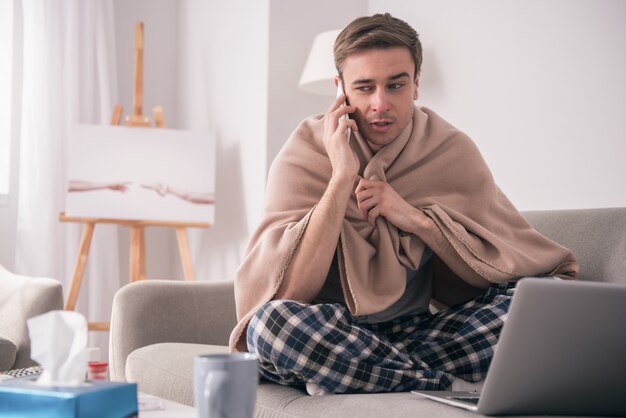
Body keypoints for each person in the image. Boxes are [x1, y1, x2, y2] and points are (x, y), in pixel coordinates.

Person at [229, 13, 579, 395]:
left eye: (395, 85)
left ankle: (357, 374)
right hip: (331, 329)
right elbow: (287, 292)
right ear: (340, 89)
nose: (381, 104)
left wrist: (414, 218)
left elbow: (499, 263)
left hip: (418, 333)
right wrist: (342, 177)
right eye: (364, 88)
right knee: (272, 327)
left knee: (542, 303)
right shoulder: (305, 151)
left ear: (416, 84)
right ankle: (440, 384)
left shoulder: (449, 148)